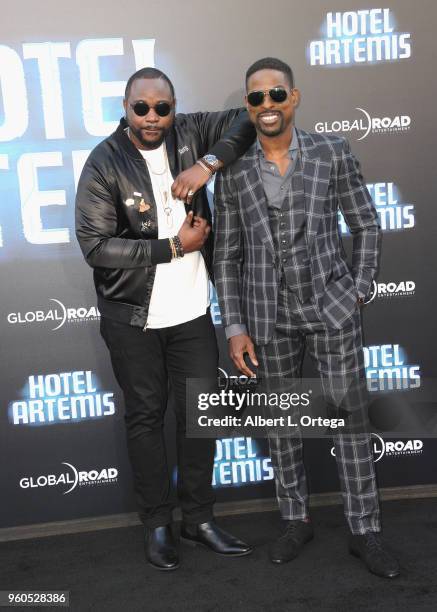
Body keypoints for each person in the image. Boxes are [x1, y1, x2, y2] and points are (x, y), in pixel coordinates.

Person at [213, 57, 400, 578]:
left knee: (350, 423)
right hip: (267, 317)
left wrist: (358, 289)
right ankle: (295, 520)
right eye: (256, 98)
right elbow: (226, 255)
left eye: (276, 95)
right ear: (248, 108)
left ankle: (365, 531)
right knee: (283, 424)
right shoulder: (232, 173)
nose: (267, 105)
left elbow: (365, 223)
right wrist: (235, 326)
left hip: (332, 307)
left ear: (294, 99)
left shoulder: (331, 152)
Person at [75, 67, 255, 571]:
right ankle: (157, 523)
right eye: (142, 108)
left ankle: (198, 520)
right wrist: (175, 246)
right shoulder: (103, 163)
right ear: (125, 107)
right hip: (132, 317)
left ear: (174, 107)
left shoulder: (191, 133)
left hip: (193, 310)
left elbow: (245, 118)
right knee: (145, 419)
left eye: (163, 108)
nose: (153, 118)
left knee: (199, 419)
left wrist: (208, 165)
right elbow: (96, 247)